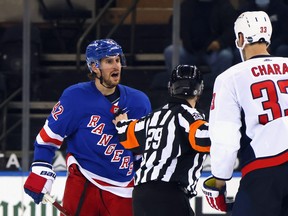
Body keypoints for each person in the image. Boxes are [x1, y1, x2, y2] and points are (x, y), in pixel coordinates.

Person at [23, 39, 152, 216]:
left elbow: (144, 153)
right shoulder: (75, 97)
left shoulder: (139, 102)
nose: (116, 66)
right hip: (84, 181)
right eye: (108, 61)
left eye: (117, 60)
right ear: (94, 67)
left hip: (123, 188)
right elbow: (47, 139)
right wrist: (41, 169)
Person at [202, 11, 288, 216]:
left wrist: (220, 179)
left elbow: (225, 135)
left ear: (240, 38)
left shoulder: (230, 77)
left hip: (265, 170)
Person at [113, 64, 211, 216]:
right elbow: (204, 139)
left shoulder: (153, 116)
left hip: (141, 196)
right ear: (200, 90)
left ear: (171, 87)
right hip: (170, 194)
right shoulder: (190, 116)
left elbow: (127, 135)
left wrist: (121, 123)